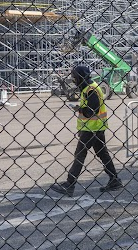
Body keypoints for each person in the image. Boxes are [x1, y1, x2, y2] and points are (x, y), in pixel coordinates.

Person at [50, 64, 122, 196]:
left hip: (92, 129)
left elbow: (91, 112)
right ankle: (114, 180)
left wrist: (79, 109)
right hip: (94, 128)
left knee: (80, 155)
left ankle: (70, 184)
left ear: (81, 77)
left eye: (75, 78)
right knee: (102, 154)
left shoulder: (91, 90)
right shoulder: (88, 88)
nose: (74, 80)